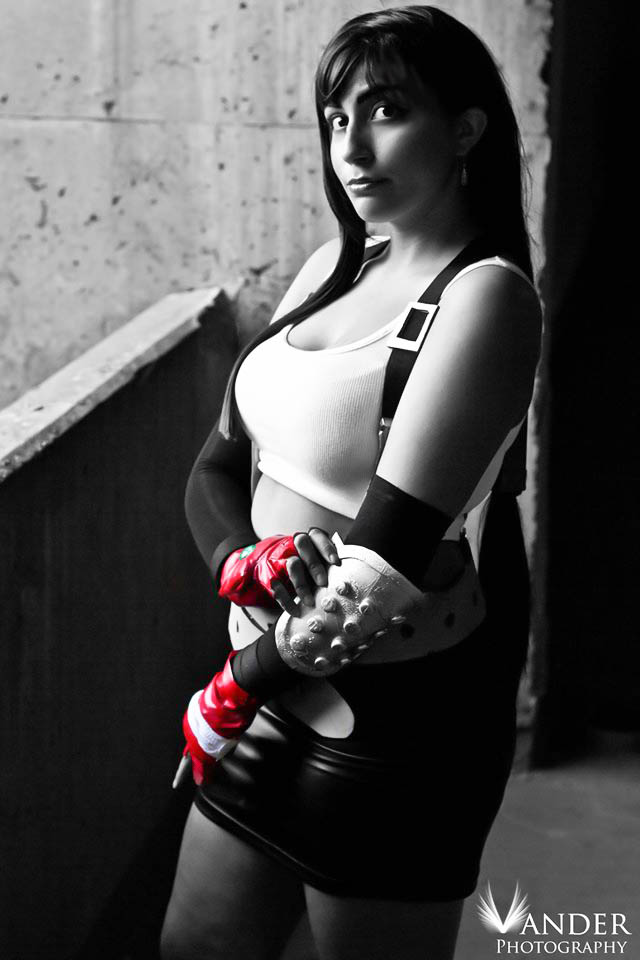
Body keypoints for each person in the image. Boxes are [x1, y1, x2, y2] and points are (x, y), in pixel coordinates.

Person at [160, 6, 543, 960]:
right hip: (269, 694)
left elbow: (379, 568)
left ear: (466, 129)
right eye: (336, 119)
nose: (352, 148)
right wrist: (242, 564)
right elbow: (213, 469)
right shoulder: (332, 266)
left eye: (386, 111)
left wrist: (227, 689)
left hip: (390, 730)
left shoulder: (485, 296)